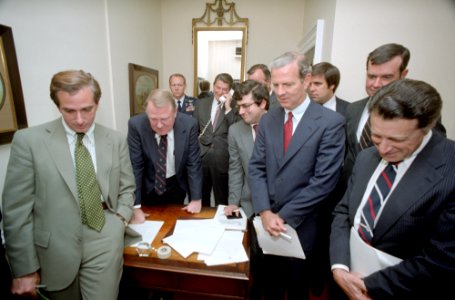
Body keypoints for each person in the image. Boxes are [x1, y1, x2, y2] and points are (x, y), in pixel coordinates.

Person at [2, 70, 137, 299]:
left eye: (87, 109)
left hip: (104, 233)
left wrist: (120, 219)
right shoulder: (29, 142)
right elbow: (16, 210)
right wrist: (24, 268)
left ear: (97, 103)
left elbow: (127, 186)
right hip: (53, 244)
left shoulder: (114, 139)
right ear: (58, 106)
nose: (80, 119)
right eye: (69, 111)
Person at [330, 79, 455, 299]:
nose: (384, 149)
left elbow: (443, 258)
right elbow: (343, 212)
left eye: (397, 140)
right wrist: (339, 267)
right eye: (377, 136)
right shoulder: (367, 156)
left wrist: (369, 285)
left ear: (427, 127)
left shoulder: (449, 168)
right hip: (346, 281)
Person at [248, 51, 345, 300]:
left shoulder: (330, 123)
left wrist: (283, 217)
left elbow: (324, 182)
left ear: (306, 80)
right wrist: (265, 212)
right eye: (276, 85)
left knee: (298, 290)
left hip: (303, 228)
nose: (280, 92)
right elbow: (257, 167)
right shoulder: (269, 119)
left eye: (288, 84)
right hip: (266, 225)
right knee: (267, 288)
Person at [343, 43, 446, 188]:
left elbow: (433, 159)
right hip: (349, 191)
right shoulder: (353, 109)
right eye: (371, 76)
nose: (376, 84)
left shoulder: (419, 112)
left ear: (403, 75)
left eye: (386, 77)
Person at [127, 89, 202, 222]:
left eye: (164, 119)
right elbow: (135, 167)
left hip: (175, 185)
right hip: (148, 186)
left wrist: (196, 199)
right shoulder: (136, 125)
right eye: (154, 119)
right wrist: (135, 206)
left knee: (174, 224)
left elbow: (193, 163)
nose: (159, 125)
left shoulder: (189, 125)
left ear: (175, 112)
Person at [224, 80, 269, 218]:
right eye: (239, 106)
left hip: (278, 207)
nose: (241, 112)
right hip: (249, 206)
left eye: (246, 106)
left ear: (262, 103)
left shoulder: (281, 126)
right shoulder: (235, 131)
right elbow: (236, 170)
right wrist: (233, 202)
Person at [194, 73, 240, 207]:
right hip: (202, 156)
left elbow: (237, 129)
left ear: (230, 90)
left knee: (222, 199)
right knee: (202, 198)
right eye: (218, 87)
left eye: (224, 89)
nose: (220, 92)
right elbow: (194, 129)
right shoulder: (201, 103)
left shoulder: (235, 106)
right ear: (213, 85)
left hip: (222, 158)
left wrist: (228, 108)